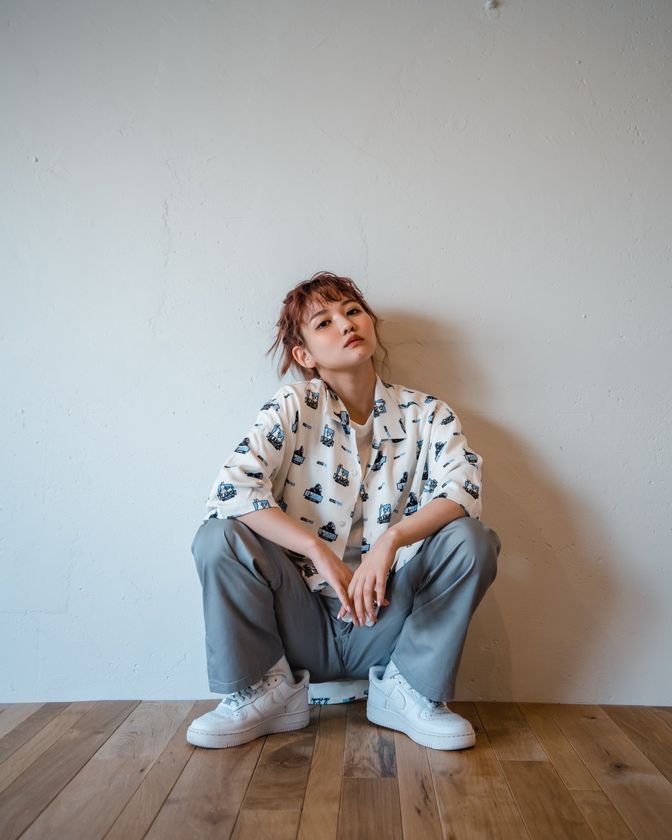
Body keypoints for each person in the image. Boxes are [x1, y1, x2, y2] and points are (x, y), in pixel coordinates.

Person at [187, 271, 501, 751]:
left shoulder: (429, 414)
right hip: (298, 621)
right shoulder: (294, 406)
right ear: (304, 355)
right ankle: (263, 691)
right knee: (217, 537)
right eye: (324, 322)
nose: (346, 324)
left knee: (473, 539)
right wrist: (316, 549)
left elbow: (463, 490)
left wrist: (391, 541)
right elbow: (232, 488)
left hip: (389, 621)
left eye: (353, 311)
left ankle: (410, 689)